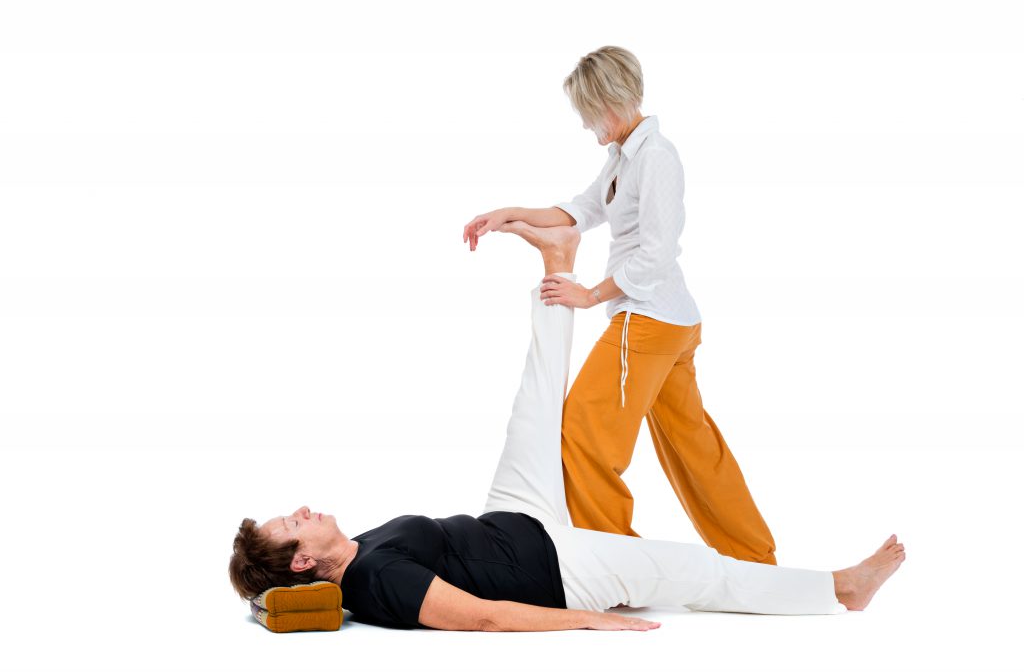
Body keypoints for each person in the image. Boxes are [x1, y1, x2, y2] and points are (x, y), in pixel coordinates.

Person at [229, 232, 905, 632]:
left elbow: (272, 601)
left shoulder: (358, 550)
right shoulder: (378, 576)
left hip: (512, 519)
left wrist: (265, 593)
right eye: (295, 522)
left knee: (535, 400)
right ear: (301, 559)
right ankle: (840, 587)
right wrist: (588, 619)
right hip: (557, 569)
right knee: (698, 571)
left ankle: (559, 258)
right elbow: (485, 617)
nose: (307, 508)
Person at [462, 45, 777, 564]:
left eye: (590, 115)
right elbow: (582, 211)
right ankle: (756, 562)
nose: (588, 127)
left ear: (612, 101)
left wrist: (589, 295)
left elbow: (655, 254)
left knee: (583, 434)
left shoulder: (656, 158)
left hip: (648, 320)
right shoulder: (622, 156)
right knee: (695, 450)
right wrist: (508, 214)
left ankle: (621, 563)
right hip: (668, 322)